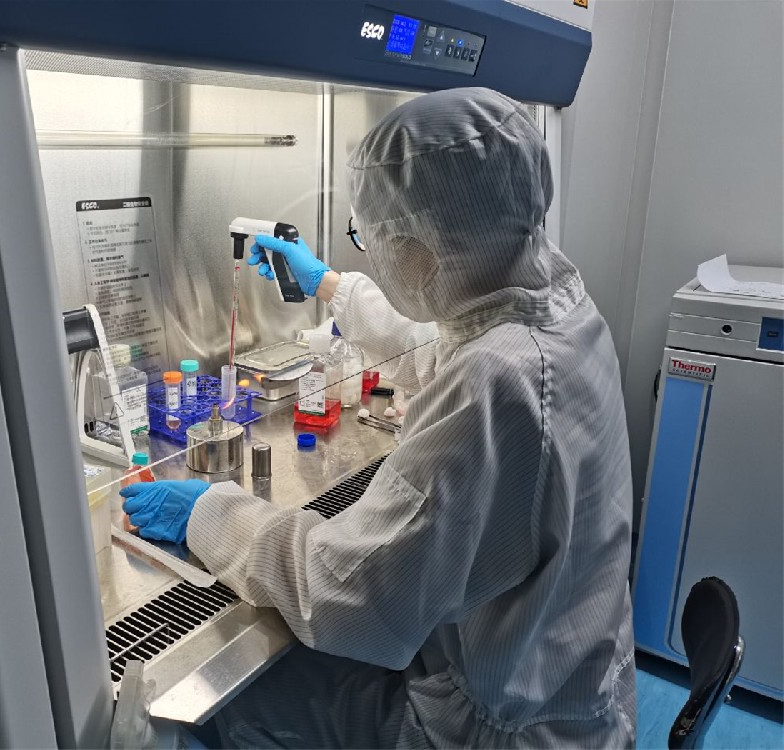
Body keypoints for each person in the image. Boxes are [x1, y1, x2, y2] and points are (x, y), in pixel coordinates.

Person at [120, 87, 636, 748]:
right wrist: (329, 285)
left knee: (214, 704)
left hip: (492, 731)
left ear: (422, 251)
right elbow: (449, 344)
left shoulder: (494, 383)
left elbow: (346, 598)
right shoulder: (560, 309)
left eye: (368, 237)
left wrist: (210, 512)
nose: (366, 251)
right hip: (572, 688)